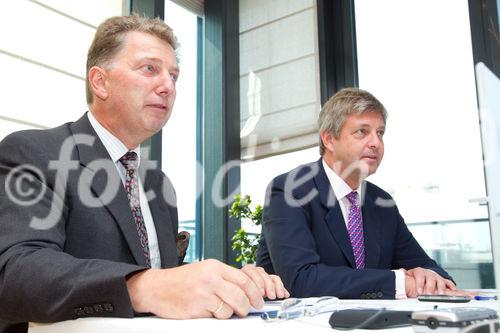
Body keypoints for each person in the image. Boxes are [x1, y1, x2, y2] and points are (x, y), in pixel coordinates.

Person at [0, 15, 288, 332]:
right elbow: (15, 273)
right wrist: (143, 287)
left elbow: (163, 274)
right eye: (149, 69)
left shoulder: (157, 184)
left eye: (174, 76)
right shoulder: (35, 152)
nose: (168, 86)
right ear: (100, 82)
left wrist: (230, 282)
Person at [256, 88, 470, 299]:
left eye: (380, 133)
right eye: (362, 132)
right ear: (329, 139)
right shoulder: (289, 190)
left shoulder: (381, 202)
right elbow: (301, 280)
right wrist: (398, 282)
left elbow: (432, 270)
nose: (376, 143)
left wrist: (429, 276)